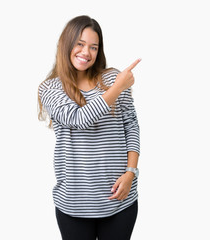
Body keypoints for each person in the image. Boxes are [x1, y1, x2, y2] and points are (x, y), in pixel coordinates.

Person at [38, 15, 141, 240]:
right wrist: (118, 87)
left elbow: (131, 125)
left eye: (94, 47)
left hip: (120, 200)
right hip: (75, 205)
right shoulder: (50, 88)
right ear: (66, 44)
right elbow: (79, 119)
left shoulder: (113, 77)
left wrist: (130, 173)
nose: (86, 52)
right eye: (80, 44)